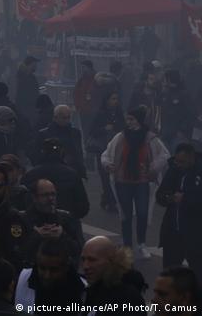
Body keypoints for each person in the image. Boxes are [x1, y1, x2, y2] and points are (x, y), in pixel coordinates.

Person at [101, 105, 169, 258]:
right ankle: (127, 245)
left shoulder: (151, 138)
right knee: (125, 215)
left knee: (142, 213)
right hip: (122, 181)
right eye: (128, 119)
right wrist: (107, 164)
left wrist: (153, 168)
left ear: (139, 120)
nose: (129, 122)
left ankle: (141, 244)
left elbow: (164, 155)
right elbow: (106, 154)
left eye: (131, 119)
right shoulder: (120, 137)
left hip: (142, 182)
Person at [155, 142, 202, 275]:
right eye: (177, 161)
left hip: (195, 234)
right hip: (173, 232)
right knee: (169, 275)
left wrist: (185, 199)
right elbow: (160, 194)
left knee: (197, 274)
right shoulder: (174, 168)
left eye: (182, 161)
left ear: (191, 157)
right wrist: (168, 198)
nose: (179, 164)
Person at [21, 179, 83, 265]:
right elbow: (17, 251)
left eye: (53, 194)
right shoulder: (23, 219)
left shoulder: (66, 218)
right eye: (45, 195)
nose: (50, 198)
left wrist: (62, 236)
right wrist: (37, 236)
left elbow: (79, 249)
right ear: (34, 197)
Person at [81, 236, 147, 310]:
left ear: (110, 260)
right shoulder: (91, 290)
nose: (85, 266)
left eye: (92, 260)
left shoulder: (128, 299)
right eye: (83, 260)